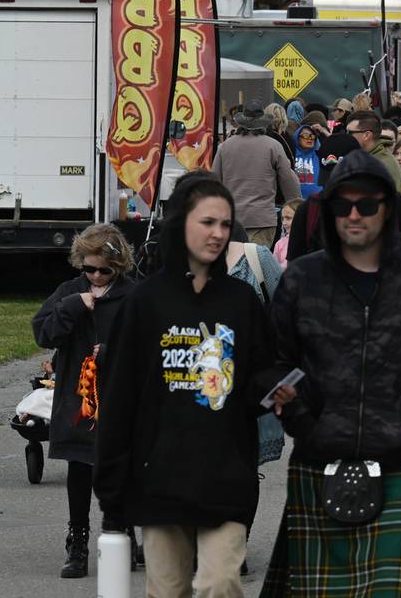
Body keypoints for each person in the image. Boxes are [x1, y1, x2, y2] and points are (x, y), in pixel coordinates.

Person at [263, 151, 401, 596]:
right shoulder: (301, 280)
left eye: (367, 205)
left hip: (399, 461)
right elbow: (277, 364)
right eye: (342, 205)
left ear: (388, 210)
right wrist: (304, 426)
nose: (353, 215)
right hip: (319, 461)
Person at [95, 176, 285, 598]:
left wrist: (276, 390)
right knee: (167, 591)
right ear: (181, 223)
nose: (217, 233)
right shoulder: (144, 304)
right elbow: (119, 398)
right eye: (207, 222)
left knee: (220, 584)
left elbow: (262, 373)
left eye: (224, 223)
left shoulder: (241, 301)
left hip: (227, 475)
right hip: (159, 478)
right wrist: (112, 491)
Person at [32, 224, 136, 579]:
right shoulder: (69, 292)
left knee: (123, 469)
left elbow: (149, 344)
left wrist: (112, 351)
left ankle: (125, 529)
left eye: (103, 270)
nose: (94, 275)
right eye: (88, 268)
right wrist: (72, 306)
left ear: (118, 266)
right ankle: (77, 541)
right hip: (79, 402)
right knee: (79, 468)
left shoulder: (133, 296)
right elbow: (43, 333)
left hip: (121, 399)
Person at [212, 101, 301, 245]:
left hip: (232, 219)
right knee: (257, 263)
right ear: (262, 123)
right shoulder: (273, 146)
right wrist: (297, 207)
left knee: (233, 262)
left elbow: (214, 183)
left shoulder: (225, 147)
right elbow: (289, 181)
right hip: (262, 219)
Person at [346, 110, 401, 191]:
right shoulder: (363, 157)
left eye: (350, 132)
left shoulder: (384, 165)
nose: (346, 136)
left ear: (367, 135)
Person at [292, 121, 324, 199]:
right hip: (296, 202)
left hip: (318, 202)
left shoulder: (320, 155)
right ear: (297, 137)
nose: (310, 139)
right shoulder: (291, 155)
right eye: (306, 135)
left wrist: (324, 131)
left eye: (312, 136)